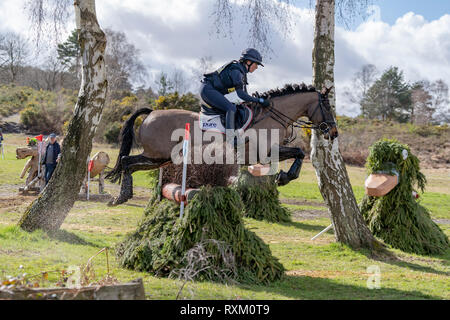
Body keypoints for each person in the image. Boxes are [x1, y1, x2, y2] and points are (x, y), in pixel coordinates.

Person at [200, 48, 270, 143]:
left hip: (213, 90)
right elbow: (241, 94)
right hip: (208, 89)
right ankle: (231, 138)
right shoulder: (236, 70)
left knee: (238, 107)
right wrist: (259, 100)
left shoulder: (242, 72)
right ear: (248, 62)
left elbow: (244, 95)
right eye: (256, 64)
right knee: (231, 108)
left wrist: (255, 100)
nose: (257, 67)